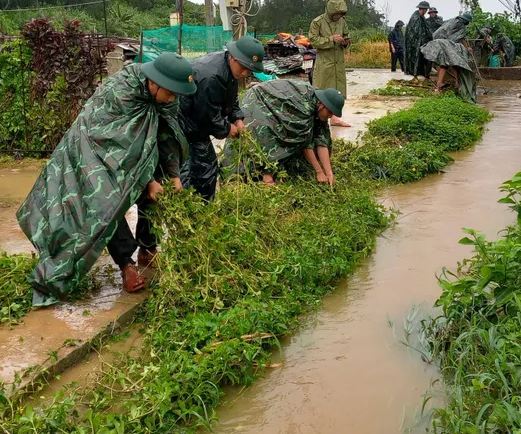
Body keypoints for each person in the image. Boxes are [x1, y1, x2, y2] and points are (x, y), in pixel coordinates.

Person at [18, 53, 196, 300]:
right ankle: (126, 264)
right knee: (109, 202)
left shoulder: (164, 97)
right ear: (154, 83)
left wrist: (173, 175)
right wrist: (148, 181)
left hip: (138, 150)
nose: (173, 99)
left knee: (156, 190)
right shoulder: (121, 94)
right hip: (95, 149)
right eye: (171, 93)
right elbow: (120, 151)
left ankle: (147, 247)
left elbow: (166, 133)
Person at [178, 36, 265, 201]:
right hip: (186, 125)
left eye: (249, 70)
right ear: (233, 56)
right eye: (243, 68)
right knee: (192, 169)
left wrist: (237, 119)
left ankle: (202, 205)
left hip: (197, 123)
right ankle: (191, 206)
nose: (244, 73)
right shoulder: (211, 76)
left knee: (205, 166)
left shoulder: (230, 70)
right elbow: (207, 115)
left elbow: (231, 100)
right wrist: (227, 128)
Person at [224, 79, 343, 186]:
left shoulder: (317, 104)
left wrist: (329, 172)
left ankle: (273, 168)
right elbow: (305, 142)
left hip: (276, 103)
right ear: (321, 104)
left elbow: (321, 140)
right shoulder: (304, 107)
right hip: (258, 100)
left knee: (309, 134)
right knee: (269, 134)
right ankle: (265, 173)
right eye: (330, 112)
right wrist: (319, 172)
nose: (330, 116)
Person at [309, 0, 351, 128]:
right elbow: (313, 41)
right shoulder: (318, 22)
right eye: (336, 13)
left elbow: (347, 36)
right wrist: (331, 39)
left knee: (338, 91)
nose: (338, 16)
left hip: (338, 62)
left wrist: (345, 42)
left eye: (341, 14)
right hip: (325, 63)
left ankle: (334, 118)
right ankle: (318, 119)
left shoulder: (342, 22)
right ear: (330, 11)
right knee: (322, 91)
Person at [421, 12, 478, 103]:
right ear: (466, 21)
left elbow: (442, 32)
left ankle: (451, 83)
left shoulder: (452, 21)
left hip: (440, 42)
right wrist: (467, 47)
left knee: (448, 62)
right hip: (448, 44)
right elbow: (462, 38)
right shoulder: (460, 25)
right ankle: (445, 83)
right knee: (452, 63)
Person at [404, 1, 434, 80]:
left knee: (424, 59)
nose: (426, 11)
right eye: (426, 9)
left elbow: (426, 30)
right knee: (415, 59)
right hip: (415, 44)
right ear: (423, 9)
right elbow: (415, 33)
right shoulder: (416, 18)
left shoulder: (422, 17)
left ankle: (424, 75)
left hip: (421, 43)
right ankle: (415, 75)